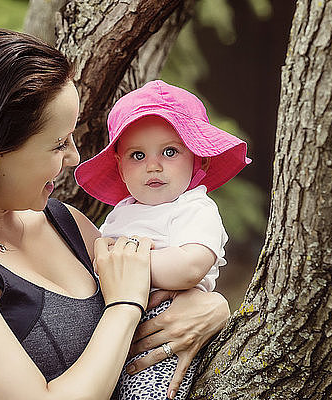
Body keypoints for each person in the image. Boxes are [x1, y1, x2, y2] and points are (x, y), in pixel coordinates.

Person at [0, 29, 231, 400]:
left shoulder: (67, 225)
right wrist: (124, 307)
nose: (75, 158)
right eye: (58, 144)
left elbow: (170, 294)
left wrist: (213, 309)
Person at [75, 80, 251, 400]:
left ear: (201, 158)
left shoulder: (194, 207)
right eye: (137, 155)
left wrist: (121, 262)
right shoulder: (120, 214)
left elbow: (189, 267)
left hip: (165, 328)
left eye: (169, 151)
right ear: (120, 166)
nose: (153, 165)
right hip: (111, 326)